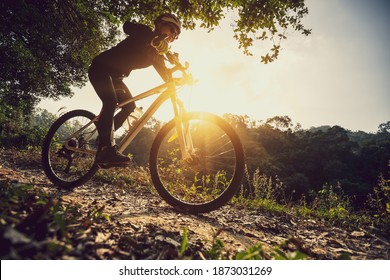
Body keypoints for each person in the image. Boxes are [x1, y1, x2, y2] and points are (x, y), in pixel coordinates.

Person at [88, 13, 181, 166]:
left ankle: (103, 137)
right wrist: (152, 39)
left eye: (175, 35)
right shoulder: (145, 33)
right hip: (100, 68)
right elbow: (127, 26)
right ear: (159, 25)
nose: (172, 35)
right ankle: (106, 148)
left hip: (115, 78)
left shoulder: (155, 54)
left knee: (130, 108)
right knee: (110, 103)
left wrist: (180, 75)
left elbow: (165, 74)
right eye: (171, 29)